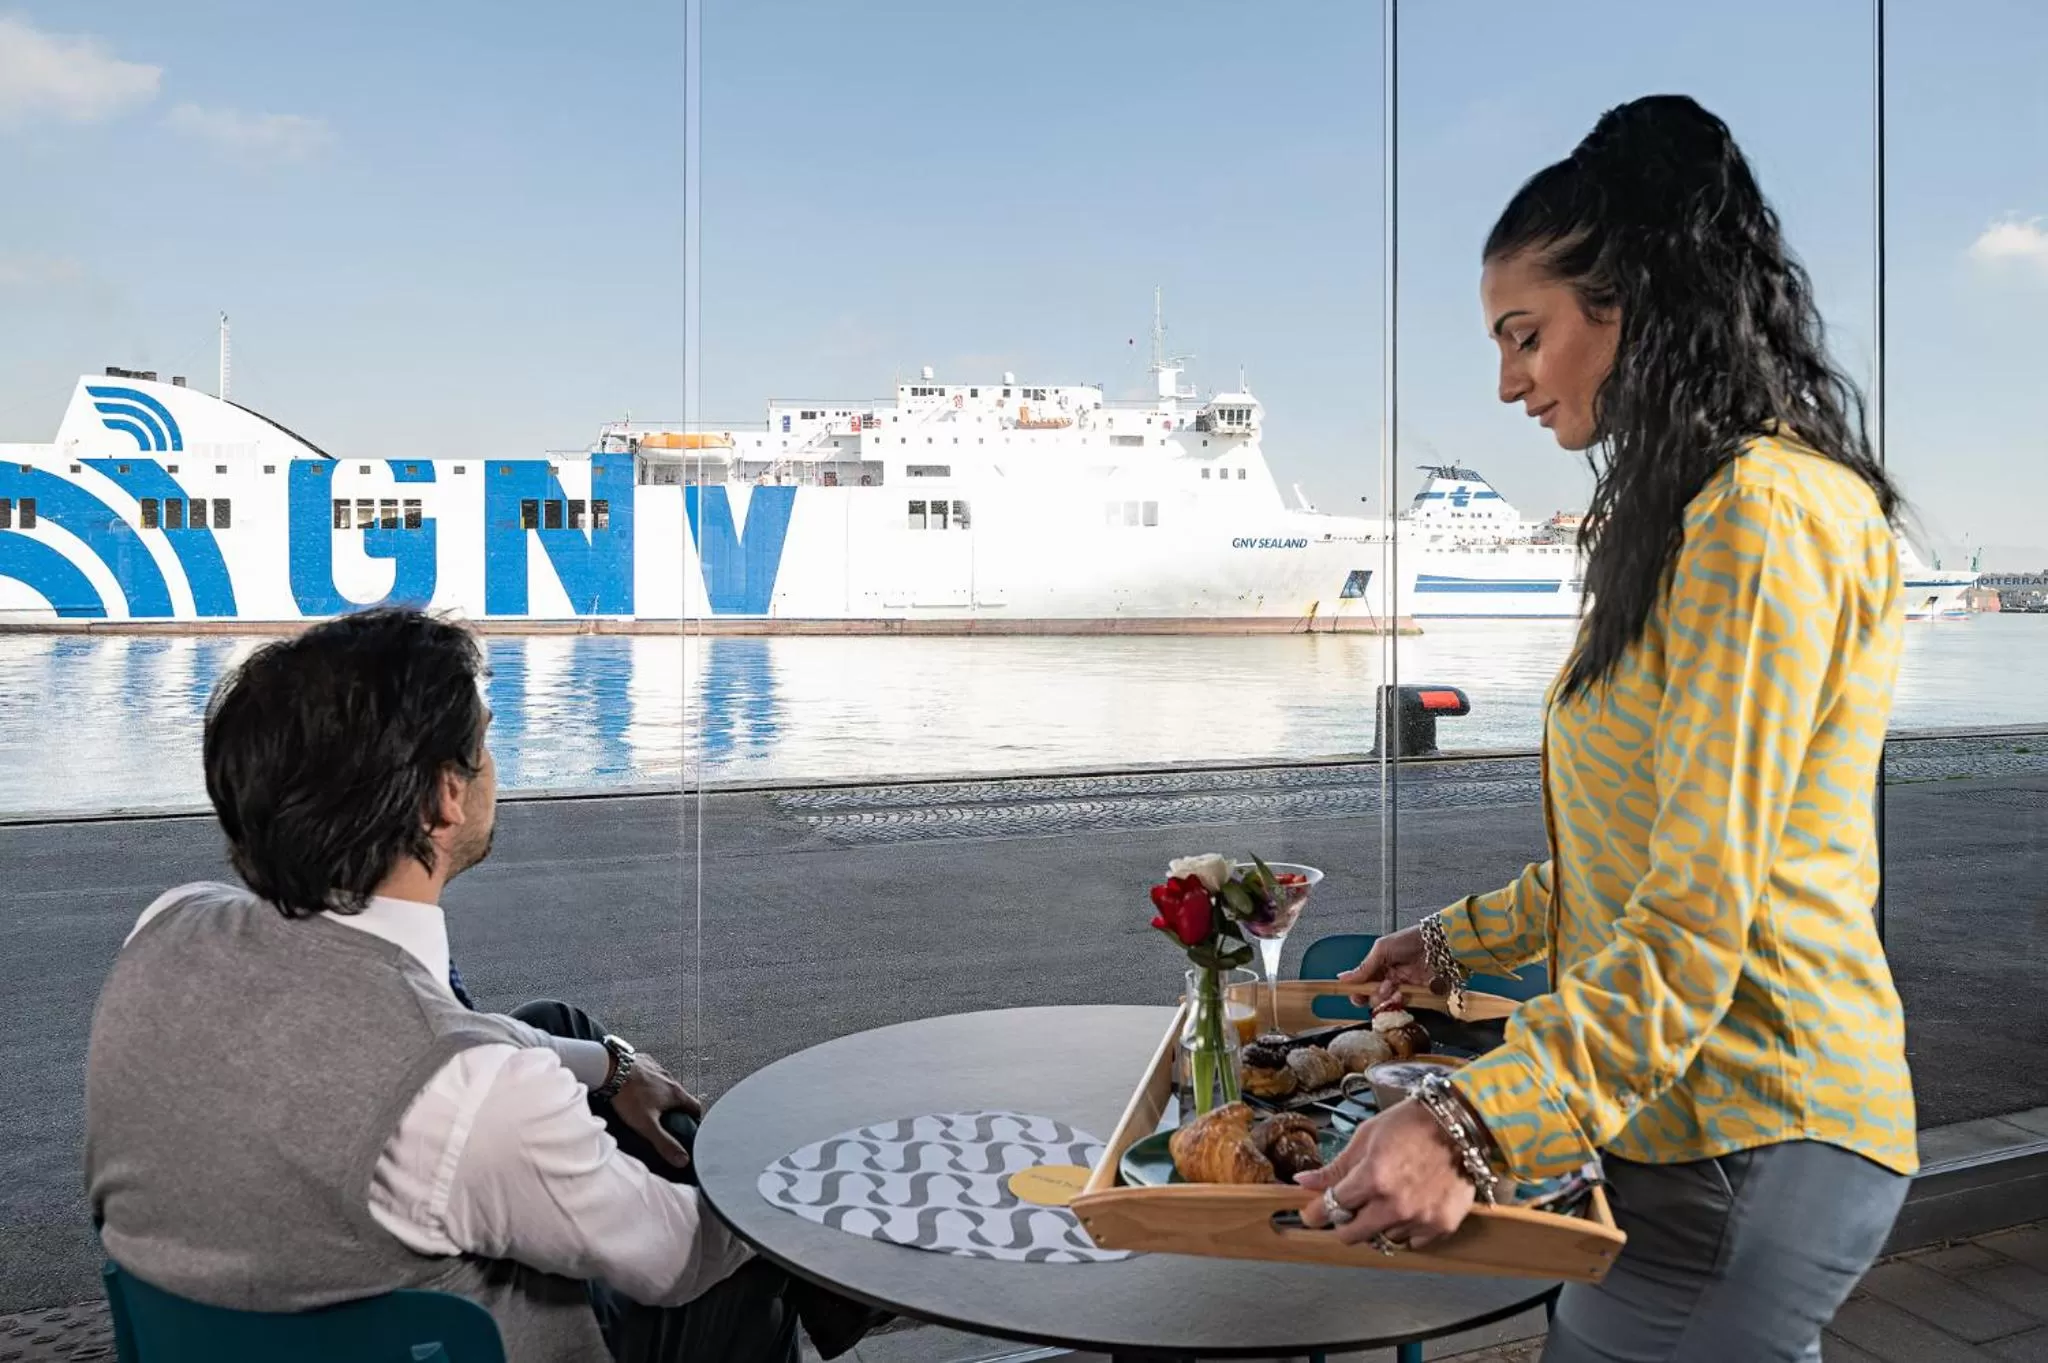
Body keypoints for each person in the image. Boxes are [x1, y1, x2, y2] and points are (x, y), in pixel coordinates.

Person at [1298, 95, 1916, 1362]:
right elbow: (1632, 852)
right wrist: (1449, 939)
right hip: (1690, 1118)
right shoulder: (1698, 514)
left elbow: (1693, 914)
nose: (1507, 381)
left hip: (1751, 1121)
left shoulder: (1758, 514)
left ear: (1630, 299)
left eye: (1524, 336)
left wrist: (1470, 1124)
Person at [85, 607, 879, 1363]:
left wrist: (612, 1064)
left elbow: (427, 1041)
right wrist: (792, 1187)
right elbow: (678, 1257)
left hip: (218, 1322)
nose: (494, 764)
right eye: (484, 743)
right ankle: (861, 1286)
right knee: (737, 1270)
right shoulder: (473, 1093)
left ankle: (836, 1289)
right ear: (445, 796)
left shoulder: (168, 924)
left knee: (552, 1023)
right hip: (462, 1340)